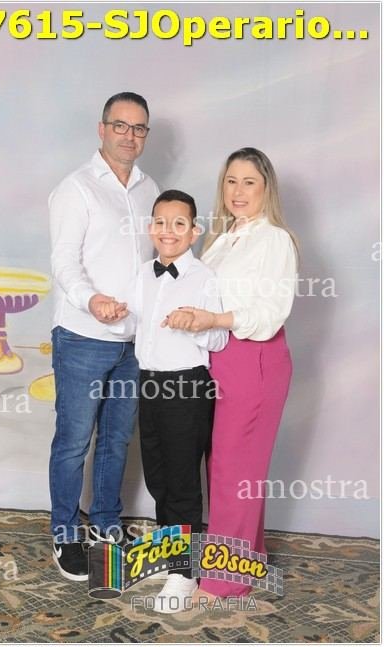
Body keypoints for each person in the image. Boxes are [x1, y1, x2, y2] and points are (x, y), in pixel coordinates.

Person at [164, 148, 298, 600]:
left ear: (266, 188)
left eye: (249, 182)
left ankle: (224, 580)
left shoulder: (274, 239)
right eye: (231, 181)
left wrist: (213, 320)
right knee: (227, 465)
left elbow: (271, 313)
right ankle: (249, 558)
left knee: (232, 469)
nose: (238, 191)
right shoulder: (222, 240)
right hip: (220, 359)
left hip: (255, 360)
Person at [49, 92, 159, 582]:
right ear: (102, 128)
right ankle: (65, 533)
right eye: (120, 125)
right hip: (83, 336)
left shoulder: (150, 189)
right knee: (74, 441)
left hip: (133, 340)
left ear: (145, 135)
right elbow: (64, 260)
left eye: (138, 128)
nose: (129, 135)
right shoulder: (75, 189)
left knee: (117, 438)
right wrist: (90, 299)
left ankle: (106, 523)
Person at [111, 189, 228, 612]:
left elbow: (219, 338)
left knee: (181, 480)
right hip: (150, 383)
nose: (168, 231)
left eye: (179, 224)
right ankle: (169, 550)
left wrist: (196, 323)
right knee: (158, 474)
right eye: (161, 222)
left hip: (186, 386)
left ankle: (184, 571)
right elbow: (133, 327)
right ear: (150, 228)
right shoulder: (144, 274)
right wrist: (115, 314)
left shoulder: (205, 278)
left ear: (194, 231)